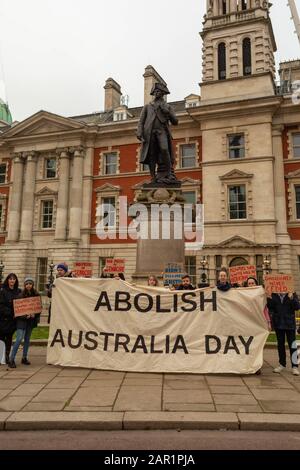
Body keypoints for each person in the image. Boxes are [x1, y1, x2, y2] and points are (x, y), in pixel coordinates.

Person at [137, 82, 179, 185]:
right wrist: (139, 131)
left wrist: (167, 112)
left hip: (162, 131)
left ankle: (169, 173)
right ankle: (153, 176)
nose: (156, 93)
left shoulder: (167, 106)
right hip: (149, 132)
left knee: (165, 150)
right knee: (152, 155)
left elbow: (175, 121)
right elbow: (141, 121)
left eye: (159, 91)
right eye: (155, 91)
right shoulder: (147, 106)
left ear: (163, 93)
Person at [8, 278, 41, 369]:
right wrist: (24, 315)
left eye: (30, 283)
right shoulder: (20, 296)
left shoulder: (36, 295)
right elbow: (17, 310)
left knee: (27, 339)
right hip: (21, 321)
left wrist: (35, 314)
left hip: (30, 321)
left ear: (33, 285)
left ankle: (24, 357)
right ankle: (11, 359)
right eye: (27, 284)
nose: (28, 285)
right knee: (19, 338)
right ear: (25, 285)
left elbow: (39, 308)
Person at [267, 289, 300, 376]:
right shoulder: (274, 294)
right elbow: (270, 307)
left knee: (292, 345)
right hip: (278, 324)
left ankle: (295, 366)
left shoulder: (292, 293)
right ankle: (282, 364)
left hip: (290, 324)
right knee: (280, 345)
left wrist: (291, 297)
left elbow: (297, 307)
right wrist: (269, 298)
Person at [0, 274, 21, 364]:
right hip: (3, 318)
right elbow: (1, 305)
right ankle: (1, 356)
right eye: (10, 279)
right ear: (7, 280)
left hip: (13, 320)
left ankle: (7, 356)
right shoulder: (3, 291)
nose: (12, 281)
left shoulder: (19, 291)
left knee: (9, 338)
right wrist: (10, 312)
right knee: (1, 338)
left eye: (14, 279)